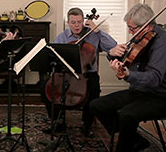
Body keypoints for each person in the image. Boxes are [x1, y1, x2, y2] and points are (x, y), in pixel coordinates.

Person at [90, 3, 166, 152]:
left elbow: (154, 78)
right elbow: (125, 59)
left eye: (132, 28)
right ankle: (135, 140)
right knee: (97, 105)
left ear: (146, 26)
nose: (129, 32)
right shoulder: (141, 38)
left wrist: (128, 74)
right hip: (140, 91)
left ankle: (125, 146)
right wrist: (112, 53)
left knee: (127, 115)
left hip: (163, 95)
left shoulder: (163, 42)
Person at [41, 7, 119, 136]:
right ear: (68, 23)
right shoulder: (62, 37)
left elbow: (112, 46)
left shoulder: (93, 34)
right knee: (44, 86)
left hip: (87, 74)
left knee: (93, 89)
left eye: (79, 22)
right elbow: (53, 55)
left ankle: (86, 125)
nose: (76, 25)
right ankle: (58, 121)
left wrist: (98, 30)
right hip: (65, 74)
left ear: (83, 20)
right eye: (73, 22)